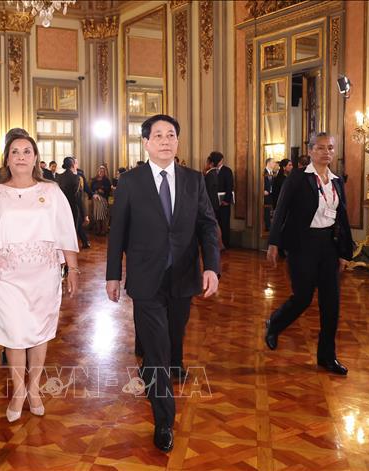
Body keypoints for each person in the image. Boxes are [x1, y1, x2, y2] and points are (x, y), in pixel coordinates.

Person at [106, 114, 220, 452]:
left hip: (183, 278)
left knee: (172, 344)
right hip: (145, 279)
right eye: (158, 135)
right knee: (156, 353)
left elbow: (208, 227)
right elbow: (118, 232)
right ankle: (164, 421)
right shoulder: (130, 181)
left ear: (178, 142)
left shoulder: (193, 180)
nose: (165, 141)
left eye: (171, 135)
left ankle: (157, 373)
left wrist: (211, 267)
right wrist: (113, 274)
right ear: (146, 143)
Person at [0, 134, 79, 422]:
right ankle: (18, 390)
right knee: (14, 334)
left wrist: (73, 269)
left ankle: (34, 387)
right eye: (15, 151)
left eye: (27, 151)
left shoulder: (51, 191)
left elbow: (66, 232)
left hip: (44, 275)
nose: (21, 156)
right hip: (5, 277)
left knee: (39, 332)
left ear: (35, 157)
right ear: (6, 159)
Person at [265, 132, 353, 376]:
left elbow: (343, 218)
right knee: (303, 297)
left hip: (328, 245)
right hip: (302, 245)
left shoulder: (336, 181)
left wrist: (345, 252)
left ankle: (327, 356)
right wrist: (273, 243)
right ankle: (275, 323)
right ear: (311, 151)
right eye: (321, 148)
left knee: (331, 303)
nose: (327, 152)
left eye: (331, 148)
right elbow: (280, 210)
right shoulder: (298, 178)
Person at [56, 156, 90, 248]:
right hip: (73, 208)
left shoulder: (58, 177)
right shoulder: (76, 178)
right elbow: (78, 198)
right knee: (72, 232)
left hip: (61, 208)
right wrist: (85, 215)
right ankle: (70, 256)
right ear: (72, 165)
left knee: (63, 231)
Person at [209, 151, 233, 248]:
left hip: (224, 203)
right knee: (215, 223)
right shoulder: (212, 171)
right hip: (213, 203)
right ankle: (216, 243)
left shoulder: (227, 171)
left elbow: (230, 186)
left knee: (224, 223)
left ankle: (225, 243)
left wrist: (226, 200)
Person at [90, 165, 111, 235]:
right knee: (97, 212)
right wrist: (94, 193)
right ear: (98, 171)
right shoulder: (94, 180)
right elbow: (91, 190)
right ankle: (98, 228)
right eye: (100, 171)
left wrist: (102, 190)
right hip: (95, 198)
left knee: (101, 212)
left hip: (103, 198)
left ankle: (103, 229)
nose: (101, 172)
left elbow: (108, 190)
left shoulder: (107, 180)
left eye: (103, 171)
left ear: (105, 172)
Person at [263, 158, 275, 231]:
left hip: (272, 195)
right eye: (273, 162)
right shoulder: (263, 172)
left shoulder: (273, 173)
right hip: (265, 195)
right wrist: (263, 190)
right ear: (268, 163)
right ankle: (268, 227)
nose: (274, 164)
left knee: (271, 211)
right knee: (266, 211)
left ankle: (271, 226)